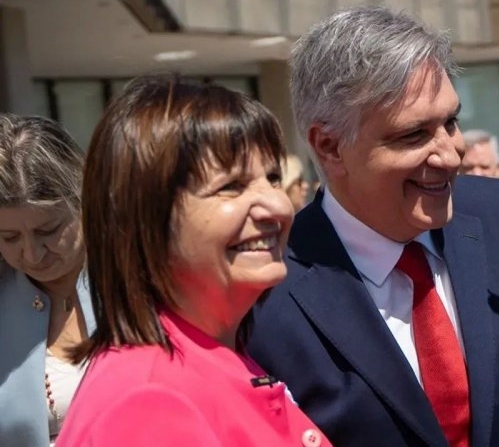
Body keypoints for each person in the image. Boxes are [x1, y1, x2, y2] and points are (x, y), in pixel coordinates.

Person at [248, 6, 499, 447]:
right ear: (330, 146)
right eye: (414, 135)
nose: (451, 154)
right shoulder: (267, 292)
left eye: (451, 122)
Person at [56, 76, 331, 447]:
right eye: (231, 186)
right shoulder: (147, 402)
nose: (278, 206)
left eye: (272, 178)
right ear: (147, 218)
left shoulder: (213, 354)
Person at [0, 114, 95, 447]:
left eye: (48, 231)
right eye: (9, 237)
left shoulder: (141, 280)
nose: (32, 254)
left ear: (83, 201)